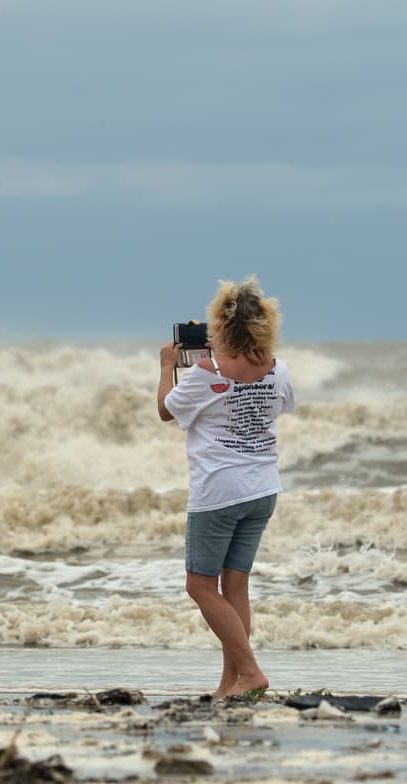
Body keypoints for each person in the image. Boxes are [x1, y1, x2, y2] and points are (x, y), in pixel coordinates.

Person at [157, 276, 294, 698]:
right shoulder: (278, 368)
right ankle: (231, 681)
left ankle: (250, 672)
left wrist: (167, 367)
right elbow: (281, 404)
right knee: (235, 586)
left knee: (199, 586)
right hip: (262, 488)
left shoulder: (205, 371)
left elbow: (166, 410)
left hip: (219, 491)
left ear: (221, 325)